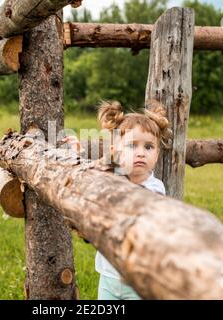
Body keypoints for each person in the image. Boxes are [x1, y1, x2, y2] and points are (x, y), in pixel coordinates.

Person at [63, 100, 171, 300]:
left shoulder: (155, 188)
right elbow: (87, 176)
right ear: (115, 150)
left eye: (148, 147)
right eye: (132, 146)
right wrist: (75, 152)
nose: (140, 152)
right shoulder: (112, 176)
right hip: (109, 275)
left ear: (156, 154)